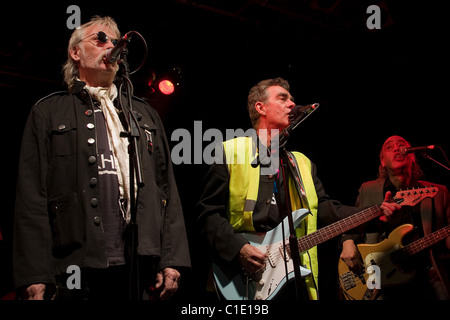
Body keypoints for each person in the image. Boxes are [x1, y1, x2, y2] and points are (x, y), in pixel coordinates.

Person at [13, 16, 190, 300]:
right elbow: (31, 198)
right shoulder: (48, 112)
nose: (111, 46)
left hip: (139, 264)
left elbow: (166, 189)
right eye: (100, 39)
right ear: (75, 53)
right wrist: (35, 273)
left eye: (115, 41)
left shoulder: (144, 114)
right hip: (74, 265)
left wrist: (170, 258)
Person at [196, 77, 400, 300]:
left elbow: (324, 209)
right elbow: (208, 214)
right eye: (282, 98)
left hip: (292, 279)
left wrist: (373, 213)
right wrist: (239, 248)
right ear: (260, 107)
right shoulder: (229, 152)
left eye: (292, 99)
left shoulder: (301, 163)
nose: (292, 104)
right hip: (242, 273)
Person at [340, 135, 450, 299]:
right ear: (383, 161)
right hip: (378, 272)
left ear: (412, 156)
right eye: (390, 147)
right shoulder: (368, 190)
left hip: (427, 272)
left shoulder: (438, 192)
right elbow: (353, 226)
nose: (397, 149)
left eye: (402, 145)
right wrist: (347, 243)